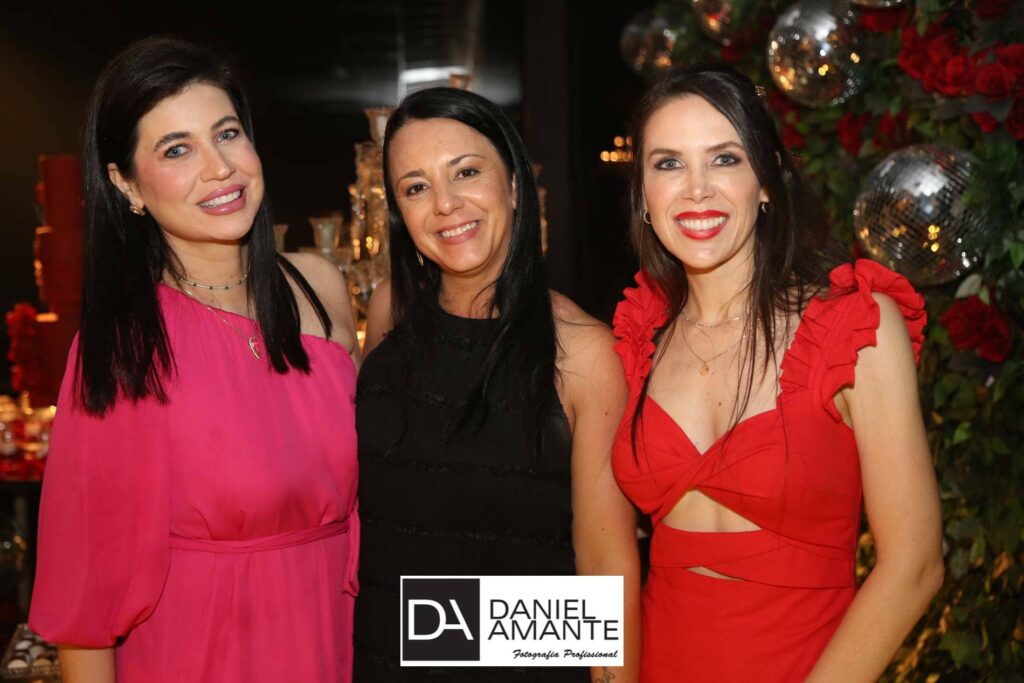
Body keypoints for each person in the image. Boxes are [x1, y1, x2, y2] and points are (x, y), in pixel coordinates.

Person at [28, 37, 360, 682]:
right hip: (200, 657)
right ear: (126, 184)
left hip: (334, 644)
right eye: (177, 150)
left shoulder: (320, 288)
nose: (220, 168)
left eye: (227, 134)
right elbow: (85, 605)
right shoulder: (123, 347)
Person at [611, 64, 944, 682]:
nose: (697, 190)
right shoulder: (638, 336)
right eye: (669, 164)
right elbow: (605, 557)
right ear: (644, 196)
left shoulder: (853, 326)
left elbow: (916, 565)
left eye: (725, 159)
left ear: (765, 182)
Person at [354, 87, 640, 682]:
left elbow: (604, 567)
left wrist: (438, 626)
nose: (445, 204)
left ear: (513, 185)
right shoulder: (390, 312)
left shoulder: (583, 352)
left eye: (466, 172)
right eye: (416, 187)